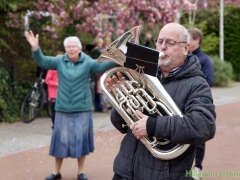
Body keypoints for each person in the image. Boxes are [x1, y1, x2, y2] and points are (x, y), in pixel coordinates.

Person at [105, 23, 216, 180]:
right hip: (124, 172)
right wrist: (120, 99)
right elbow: (120, 125)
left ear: (186, 48)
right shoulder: (142, 73)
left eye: (170, 43)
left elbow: (204, 126)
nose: (163, 47)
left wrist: (152, 126)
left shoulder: (197, 84)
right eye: (160, 41)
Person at [25, 31, 116, 180]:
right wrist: (35, 48)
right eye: (68, 47)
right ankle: (56, 172)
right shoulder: (59, 61)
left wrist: (120, 59)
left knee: (81, 141)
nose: (71, 49)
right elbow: (42, 61)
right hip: (63, 109)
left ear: (80, 48)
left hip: (82, 108)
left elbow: (102, 66)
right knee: (59, 141)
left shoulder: (88, 62)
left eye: (74, 46)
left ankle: (81, 172)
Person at [188, 27, 214, 180]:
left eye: (189, 38)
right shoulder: (185, 58)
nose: (186, 42)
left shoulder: (205, 60)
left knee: (199, 137)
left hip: (199, 103)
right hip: (183, 104)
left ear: (197, 40)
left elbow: (208, 81)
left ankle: (197, 168)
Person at [45, 51, 64, 129]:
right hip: (54, 94)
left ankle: (61, 126)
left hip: (63, 94)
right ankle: (55, 126)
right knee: (54, 111)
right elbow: (47, 80)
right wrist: (56, 84)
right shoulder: (52, 69)